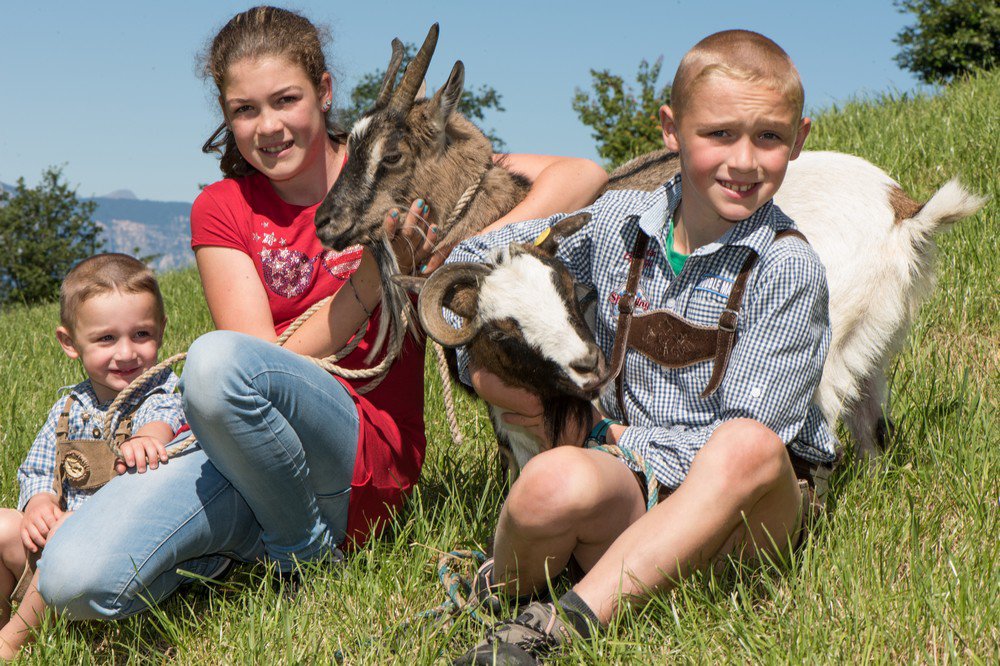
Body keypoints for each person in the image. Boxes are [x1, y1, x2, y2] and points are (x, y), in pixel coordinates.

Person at [36, 5, 608, 621]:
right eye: (244, 110)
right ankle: (234, 546)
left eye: (285, 100)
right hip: (241, 454)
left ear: (324, 90)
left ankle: (301, 555)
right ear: (226, 118)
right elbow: (254, 367)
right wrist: (369, 280)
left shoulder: (395, 162)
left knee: (215, 361)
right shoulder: (222, 208)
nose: (268, 126)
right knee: (71, 582)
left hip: (359, 456)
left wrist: (460, 248)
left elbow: (583, 174)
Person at [449, 30, 840, 665]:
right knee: (550, 483)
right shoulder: (612, 222)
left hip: (743, 519)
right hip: (632, 481)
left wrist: (615, 439)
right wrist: (480, 354)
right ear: (671, 130)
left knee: (746, 446)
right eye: (718, 134)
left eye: (768, 137)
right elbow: (481, 259)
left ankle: (557, 628)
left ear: (797, 141)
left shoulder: (786, 268)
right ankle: (494, 591)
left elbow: (750, 435)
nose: (743, 160)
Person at [0, 254, 184, 659]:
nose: (126, 353)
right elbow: (37, 467)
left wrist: (149, 441)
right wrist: (40, 503)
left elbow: (163, 420)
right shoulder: (68, 406)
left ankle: (12, 641)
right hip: (54, 539)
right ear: (69, 343)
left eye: (141, 334)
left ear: (162, 331)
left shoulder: (161, 391)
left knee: (67, 543)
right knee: (1, 525)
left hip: (108, 559)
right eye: (106, 339)